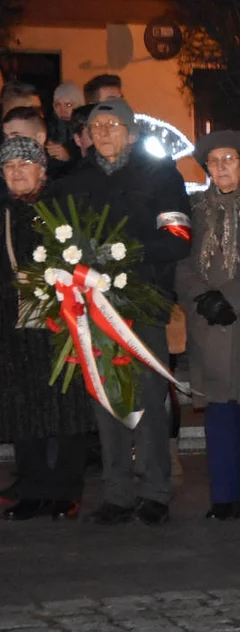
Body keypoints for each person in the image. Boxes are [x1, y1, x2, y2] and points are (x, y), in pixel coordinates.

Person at [55, 98, 192, 526]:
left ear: (131, 132)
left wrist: (126, 255)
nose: (104, 132)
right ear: (86, 136)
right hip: (92, 307)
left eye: (114, 125)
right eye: (97, 126)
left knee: (149, 399)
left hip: (142, 300)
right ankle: (116, 493)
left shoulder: (160, 175)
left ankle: (154, 492)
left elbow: (178, 236)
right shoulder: (76, 180)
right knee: (105, 397)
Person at [176, 130, 240, 522]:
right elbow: (180, 261)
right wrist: (202, 298)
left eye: (228, 159)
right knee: (219, 416)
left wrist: (232, 299)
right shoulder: (196, 208)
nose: (221, 168)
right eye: (213, 162)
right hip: (209, 326)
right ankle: (223, 494)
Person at [0, 138, 97, 521]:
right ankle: (33, 489)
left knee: (66, 408)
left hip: (60, 323)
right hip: (14, 326)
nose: (18, 171)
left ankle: (66, 492)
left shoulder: (61, 209)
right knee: (24, 409)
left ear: (42, 169)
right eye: (9, 167)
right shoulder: (4, 212)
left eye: (26, 163)